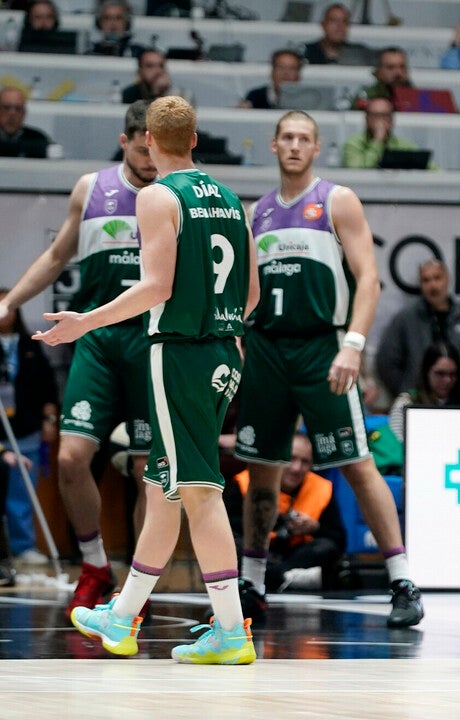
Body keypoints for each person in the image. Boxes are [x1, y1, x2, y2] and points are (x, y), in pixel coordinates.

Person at [39, 95, 259, 664]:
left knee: (200, 493)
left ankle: (231, 631)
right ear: (194, 138)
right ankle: (121, 617)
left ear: (149, 142)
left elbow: (156, 286)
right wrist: (222, 326)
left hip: (179, 355)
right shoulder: (231, 199)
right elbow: (252, 294)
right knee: (163, 491)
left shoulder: (158, 196)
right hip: (223, 352)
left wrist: (85, 321)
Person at [233, 110, 424, 628]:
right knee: (262, 469)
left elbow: (369, 279)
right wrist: (238, 337)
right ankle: (252, 583)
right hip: (267, 348)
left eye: (304, 138)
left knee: (357, 463)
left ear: (316, 148)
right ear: (273, 145)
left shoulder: (337, 200)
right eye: (287, 137)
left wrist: (354, 345)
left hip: (323, 346)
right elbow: (246, 290)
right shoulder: (257, 212)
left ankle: (402, 581)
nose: (295, 145)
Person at [0, 100, 157, 614]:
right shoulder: (92, 189)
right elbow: (55, 256)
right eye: (142, 149)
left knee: (147, 471)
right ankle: (94, 566)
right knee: (70, 458)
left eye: (157, 150)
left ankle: (139, 585)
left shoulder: (175, 192)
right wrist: (9, 303)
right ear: (124, 141)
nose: (151, 160)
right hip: (98, 339)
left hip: (154, 340)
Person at [230, 434, 346, 592]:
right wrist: (269, 521)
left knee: (326, 547)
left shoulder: (322, 488)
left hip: (297, 556)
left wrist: (315, 528)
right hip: (259, 551)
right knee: (234, 544)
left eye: (305, 462)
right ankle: (286, 578)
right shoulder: (246, 482)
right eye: (292, 458)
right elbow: (231, 527)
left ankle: (276, 577)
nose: (296, 468)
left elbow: (339, 539)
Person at [0, 290, 59, 564]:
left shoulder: (29, 344)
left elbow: (47, 385)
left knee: (22, 491)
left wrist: (49, 419)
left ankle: (23, 546)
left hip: (25, 428)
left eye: (9, 306)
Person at [375, 259, 460, 397]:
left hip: (457, 401)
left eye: (437, 278)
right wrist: (406, 391)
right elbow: (387, 361)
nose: (433, 285)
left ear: (447, 279)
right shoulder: (405, 319)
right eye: (426, 280)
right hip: (416, 400)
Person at [387, 341, 460, 443]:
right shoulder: (405, 404)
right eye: (440, 374)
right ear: (426, 372)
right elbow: (396, 445)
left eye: (452, 374)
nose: (447, 380)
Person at [341, 96, 429, 169]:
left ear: (391, 120)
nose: (380, 121)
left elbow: (431, 168)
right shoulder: (354, 143)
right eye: (375, 115)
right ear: (366, 119)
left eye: (384, 116)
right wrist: (377, 141)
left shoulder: (403, 145)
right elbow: (355, 170)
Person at [303, 3, 378, 66]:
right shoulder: (307, 52)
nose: (339, 26)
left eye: (344, 22)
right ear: (323, 25)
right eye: (334, 20)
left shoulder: (358, 54)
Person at [238, 49, 303, 110]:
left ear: (298, 75)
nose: (286, 73)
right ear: (272, 72)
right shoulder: (255, 96)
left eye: (292, 68)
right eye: (281, 67)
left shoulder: (305, 99)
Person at [121, 49, 190, 105]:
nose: (157, 71)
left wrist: (159, 92)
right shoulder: (129, 94)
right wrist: (155, 93)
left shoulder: (180, 95)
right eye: (150, 66)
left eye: (161, 66)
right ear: (140, 70)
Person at [0, 87, 51, 159]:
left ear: (24, 113)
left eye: (18, 109)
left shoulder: (38, 139)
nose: (12, 114)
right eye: (6, 108)